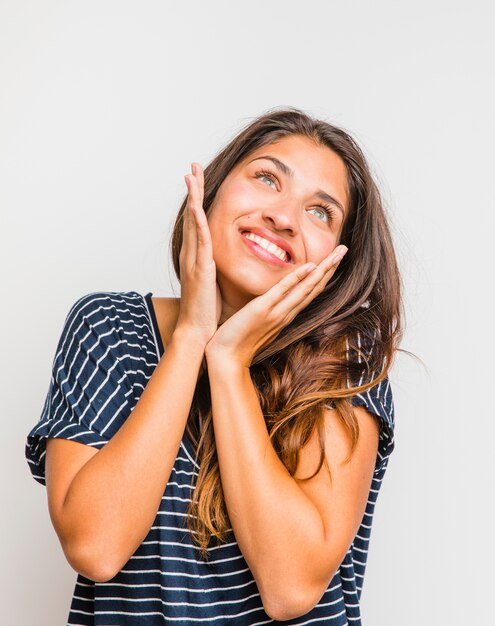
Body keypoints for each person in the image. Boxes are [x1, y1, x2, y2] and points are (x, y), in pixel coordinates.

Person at [25, 108, 402, 625]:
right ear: (214, 190)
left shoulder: (344, 359)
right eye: (267, 178)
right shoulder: (107, 328)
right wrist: (191, 339)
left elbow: (290, 587)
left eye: (321, 212)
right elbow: (96, 548)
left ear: (337, 259)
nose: (285, 216)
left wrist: (229, 361)